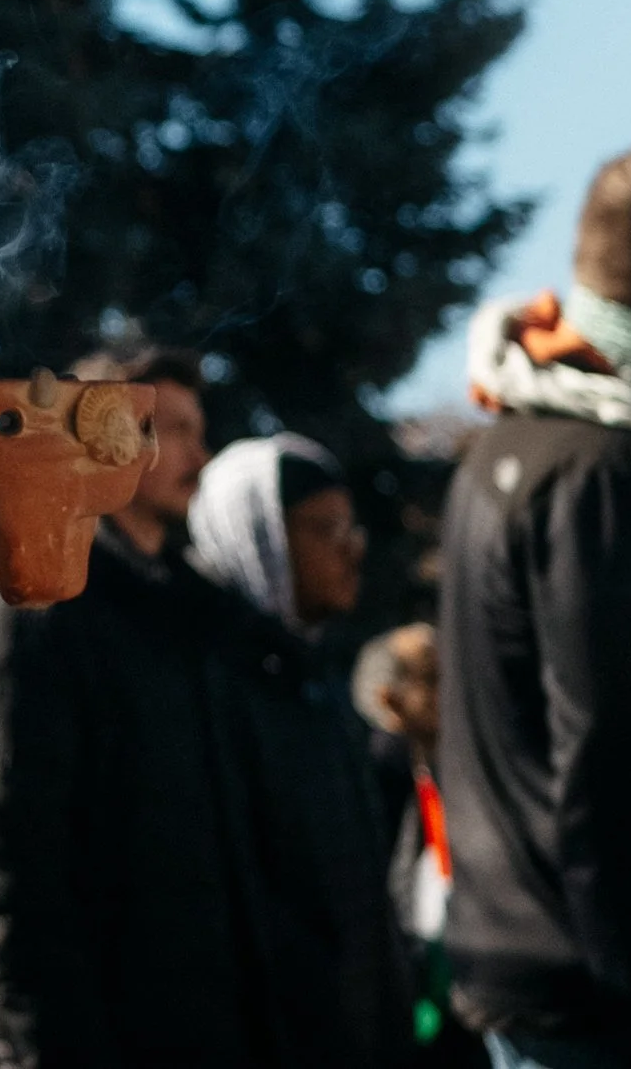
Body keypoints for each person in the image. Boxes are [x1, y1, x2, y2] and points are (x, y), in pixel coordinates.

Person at [0, 346, 258, 1068]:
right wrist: (46, 1042)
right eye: (168, 428)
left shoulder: (196, 620)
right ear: (98, 437)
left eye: (196, 430)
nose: (198, 455)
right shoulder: (32, 608)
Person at [439, 142, 631, 1069]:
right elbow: (612, 756)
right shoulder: (620, 468)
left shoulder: (506, 446)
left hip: (519, 955)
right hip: (604, 992)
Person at [183, 433, 412, 1069]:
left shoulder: (314, 673)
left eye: (353, 527)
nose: (353, 548)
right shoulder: (212, 683)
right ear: (258, 536)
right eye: (324, 528)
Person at [353, 623, 484, 1064]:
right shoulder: (376, 779)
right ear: (389, 704)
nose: (451, 687)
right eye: (431, 678)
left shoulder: (461, 764)